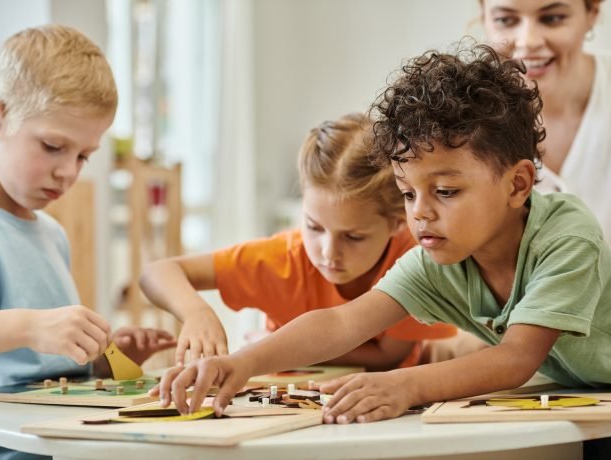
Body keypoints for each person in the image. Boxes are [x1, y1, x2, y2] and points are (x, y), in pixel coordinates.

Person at [153, 44, 611, 425]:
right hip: (603, 399)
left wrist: (407, 386)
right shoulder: (441, 258)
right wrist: (240, 365)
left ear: (518, 184)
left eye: (445, 190)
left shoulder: (566, 235)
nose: (419, 214)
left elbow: (515, 359)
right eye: (407, 194)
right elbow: (342, 324)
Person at [140, 113, 459, 372]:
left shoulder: (414, 257)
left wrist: (279, 347)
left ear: (396, 222)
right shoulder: (282, 258)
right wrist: (197, 313)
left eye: (353, 237)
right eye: (313, 226)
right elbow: (157, 273)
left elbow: (389, 357)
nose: (328, 252)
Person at [0, 25, 176, 390]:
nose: (67, 172)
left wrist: (105, 358)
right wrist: (31, 327)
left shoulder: (53, 235)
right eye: (51, 146)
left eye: (83, 157)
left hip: (62, 437)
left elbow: (52, 371)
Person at [480, 0, 611, 266]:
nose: (528, 41)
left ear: (592, 13)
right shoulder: (463, 113)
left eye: (552, 18)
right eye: (506, 20)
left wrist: (577, 275)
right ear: (484, 16)